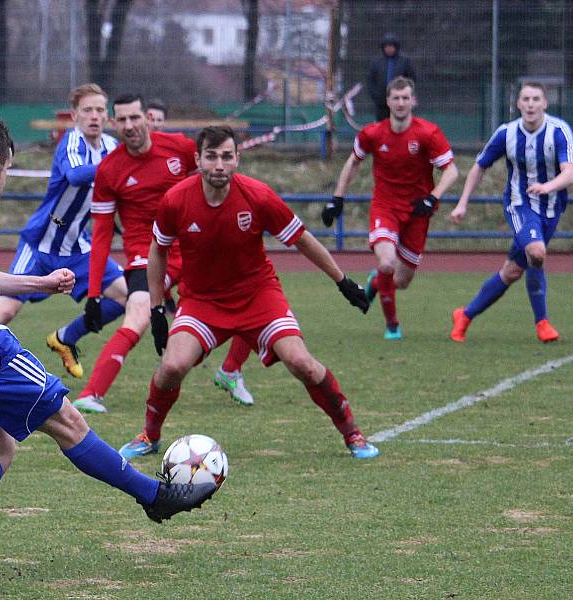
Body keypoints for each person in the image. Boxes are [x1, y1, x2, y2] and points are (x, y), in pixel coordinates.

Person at [0, 117, 216, 581]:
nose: (4, 179)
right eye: (6, 170)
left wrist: (40, 283)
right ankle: (155, 498)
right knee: (68, 422)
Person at [117, 125, 379, 461]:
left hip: (259, 296)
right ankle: (149, 435)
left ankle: (353, 434)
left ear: (237, 159)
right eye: (211, 157)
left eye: (227, 156)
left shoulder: (259, 196)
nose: (219, 165)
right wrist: (156, 309)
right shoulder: (176, 200)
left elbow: (302, 239)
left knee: (303, 364)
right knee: (171, 367)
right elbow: (158, 250)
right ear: (197, 159)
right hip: (202, 302)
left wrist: (342, 281)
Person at [76, 94, 254, 413]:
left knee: (252, 294)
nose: (129, 126)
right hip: (147, 256)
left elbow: (217, 175)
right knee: (139, 310)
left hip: (194, 248)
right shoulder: (110, 169)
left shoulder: (180, 148)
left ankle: (230, 370)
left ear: (148, 118)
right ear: (114, 124)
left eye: (135, 118)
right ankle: (91, 394)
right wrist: (93, 294)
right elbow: (101, 234)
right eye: (122, 120)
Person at [0, 83, 126, 379]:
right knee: (4, 313)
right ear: (75, 115)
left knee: (125, 296)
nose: (94, 116)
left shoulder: (112, 147)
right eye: (87, 110)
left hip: (78, 246)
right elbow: (77, 176)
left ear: (108, 116)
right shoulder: (71, 142)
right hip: (42, 243)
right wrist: (120, 165)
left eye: (100, 110)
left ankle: (65, 338)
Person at [144, 97, 257, 406]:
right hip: (167, 252)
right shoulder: (129, 159)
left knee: (254, 301)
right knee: (145, 323)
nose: (151, 124)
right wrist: (156, 309)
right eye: (146, 119)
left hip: (202, 247)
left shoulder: (178, 148)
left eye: (157, 119)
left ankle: (231, 369)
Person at [449, 82, 573, 343]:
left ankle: (465, 315)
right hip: (520, 204)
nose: (530, 104)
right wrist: (462, 202)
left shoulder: (559, 131)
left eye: (536, 99)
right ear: (518, 104)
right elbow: (478, 167)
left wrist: (547, 186)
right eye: (526, 99)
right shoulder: (506, 134)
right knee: (536, 252)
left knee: (511, 271)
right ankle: (542, 323)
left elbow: (570, 173)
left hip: (551, 207)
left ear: (545, 104)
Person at [329, 76, 458, 340]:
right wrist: (338, 198)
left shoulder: (427, 133)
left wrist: (432, 198)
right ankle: (392, 326)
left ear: (413, 100)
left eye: (405, 98)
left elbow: (451, 171)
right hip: (385, 207)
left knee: (401, 281)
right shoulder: (373, 134)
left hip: (417, 211)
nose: (400, 103)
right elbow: (353, 162)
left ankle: (375, 283)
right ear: (388, 101)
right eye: (396, 98)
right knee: (387, 262)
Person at [367, 33, 416, 122]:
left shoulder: (404, 61)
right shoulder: (376, 62)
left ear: (396, 47)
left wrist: (405, 95)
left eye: (391, 46)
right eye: (386, 46)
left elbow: (411, 80)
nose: (389, 49)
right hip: (381, 102)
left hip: (399, 101)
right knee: (382, 126)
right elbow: (370, 81)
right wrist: (376, 96)